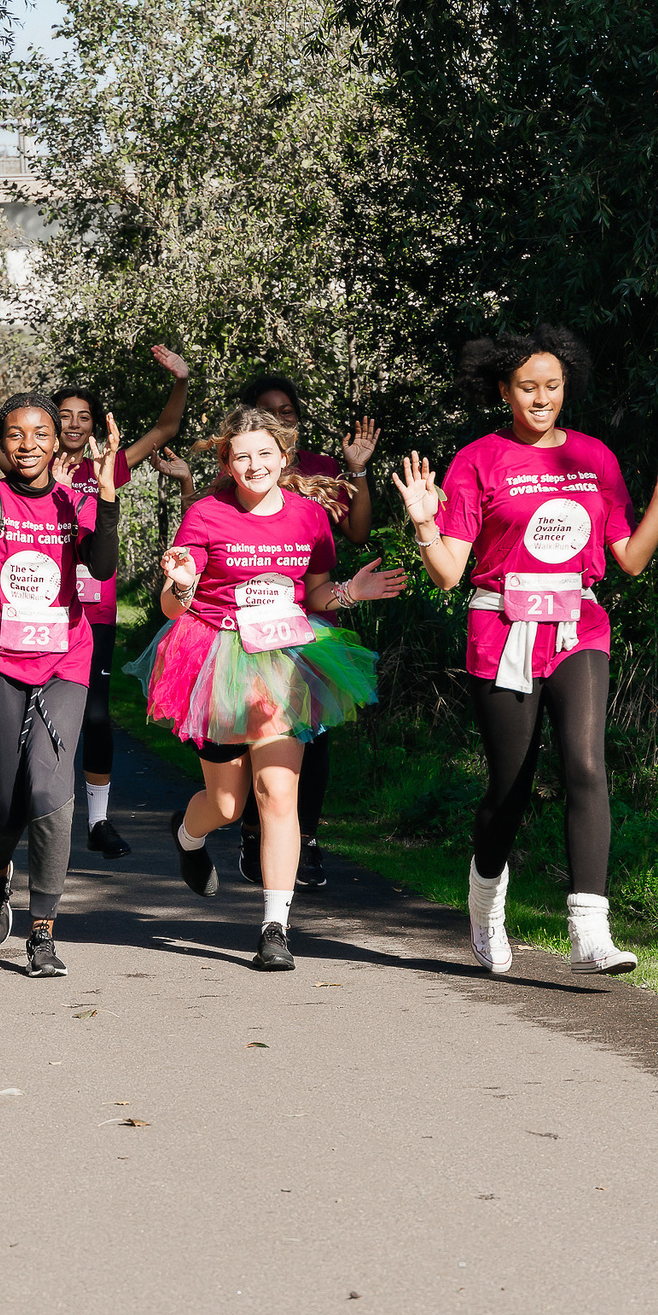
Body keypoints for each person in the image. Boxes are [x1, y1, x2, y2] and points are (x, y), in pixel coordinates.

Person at [390, 326, 658, 976]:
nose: (541, 399)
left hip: (578, 625)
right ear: (504, 391)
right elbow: (450, 573)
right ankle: (485, 906)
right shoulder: (478, 460)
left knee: (586, 768)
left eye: (553, 387)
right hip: (501, 627)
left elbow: (629, 559)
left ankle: (588, 932)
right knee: (508, 791)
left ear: (566, 388)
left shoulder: (594, 458)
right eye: (527, 387)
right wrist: (427, 524)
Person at [137, 407, 406, 970]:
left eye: (266, 453)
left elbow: (317, 594)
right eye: (242, 456)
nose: (255, 464)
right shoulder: (206, 515)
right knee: (228, 804)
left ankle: (275, 928)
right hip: (216, 657)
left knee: (277, 795)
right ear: (228, 464)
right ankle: (188, 835)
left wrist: (350, 593)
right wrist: (182, 586)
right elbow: (169, 605)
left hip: (284, 659)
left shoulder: (309, 517)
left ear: (285, 456)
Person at [0, 324, 188, 862]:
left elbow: (165, 430)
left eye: (80, 418)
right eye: (61, 417)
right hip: (16, 618)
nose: (69, 427)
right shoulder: (18, 465)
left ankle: (96, 819)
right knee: (19, 764)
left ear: (92, 426)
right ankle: (11, 815)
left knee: (92, 716)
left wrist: (181, 381)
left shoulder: (107, 468)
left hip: (89, 617)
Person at [0, 394, 124, 977]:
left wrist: (109, 492)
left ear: (55, 441)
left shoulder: (75, 500)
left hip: (65, 660)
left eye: (41, 433)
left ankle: (42, 931)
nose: (28, 445)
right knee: (7, 803)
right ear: (1, 442)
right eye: (15, 435)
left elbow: (102, 565)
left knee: (49, 793)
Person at [227, 372, 382, 893]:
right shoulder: (237, 474)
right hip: (243, 634)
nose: (281, 415)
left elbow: (355, 531)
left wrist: (357, 469)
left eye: (288, 409)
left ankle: (306, 839)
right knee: (256, 734)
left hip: (309, 628)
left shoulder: (318, 469)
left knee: (311, 739)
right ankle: (253, 828)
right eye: (269, 409)